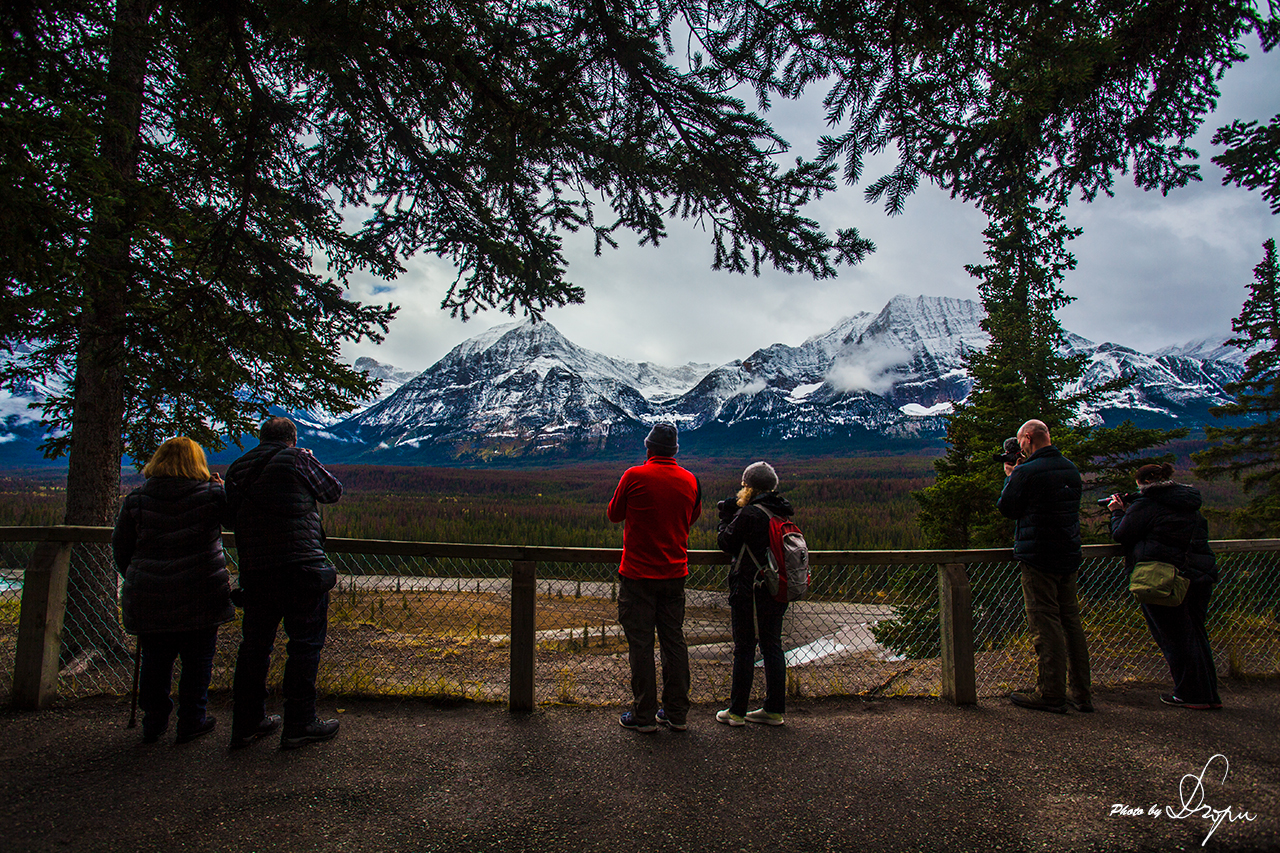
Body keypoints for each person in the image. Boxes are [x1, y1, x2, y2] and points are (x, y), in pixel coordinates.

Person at [226, 417, 343, 749]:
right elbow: (332, 491)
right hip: (300, 569)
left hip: (256, 572)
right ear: (292, 438)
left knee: (254, 648)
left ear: (261, 438)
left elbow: (229, 516)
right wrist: (308, 458)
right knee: (304, 646)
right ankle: (300, 722)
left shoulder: (237, 468)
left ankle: (246, 724)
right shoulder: (297, 457)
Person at [112, 437, 235, 744]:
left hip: (149, 592)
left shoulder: (136, 499)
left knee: (154, 660)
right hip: (201, 591)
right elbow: (236, 521)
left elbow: (121, 548)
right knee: (198, 660)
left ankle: (153, 721)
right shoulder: (211, 495)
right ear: (197, 463)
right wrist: (223, 490)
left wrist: (139, 576)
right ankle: (192, 719)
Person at [607, 422, 702, 733]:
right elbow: (692, 516)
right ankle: (677, 713)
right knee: (674, 641)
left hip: (636, 575)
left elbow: (614, 514)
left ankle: (644, 714)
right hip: (675, 574)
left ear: (648, 449)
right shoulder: (691, 480)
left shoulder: (634, 475)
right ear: (674, 451)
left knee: (641, 645)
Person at [996, 419, 1092, 714]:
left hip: (1039, 556)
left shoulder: (1026, 472)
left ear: (1026, 439)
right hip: (1068, 554)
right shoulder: (1070, 468)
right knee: (1071, 622)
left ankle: (1050, 692)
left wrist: (1011, 475)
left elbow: (1007, 508)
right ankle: (1082, 694)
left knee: (1045, 623)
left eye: (1020, 440)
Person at [1109, 463, 1220, 710]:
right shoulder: (1189, 502)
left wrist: (1117, 512)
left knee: (1174, 637)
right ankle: (1208, 693)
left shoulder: (1147, 504)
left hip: (1163, 578)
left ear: (1142, 483)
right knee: (1196, 634)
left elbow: (1122, 535)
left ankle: (1190, 694)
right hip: (1199, 576)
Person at [715, 461, 791, 727]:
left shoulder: (750, 514)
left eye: (744, 485)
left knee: (744, 648)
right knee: (772, 646)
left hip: (749, 588)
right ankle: (774, 709)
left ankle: (736, 711)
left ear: (751, 487)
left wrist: (725, 518)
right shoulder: (781, 511)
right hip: (775, 587)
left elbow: (726, 542)